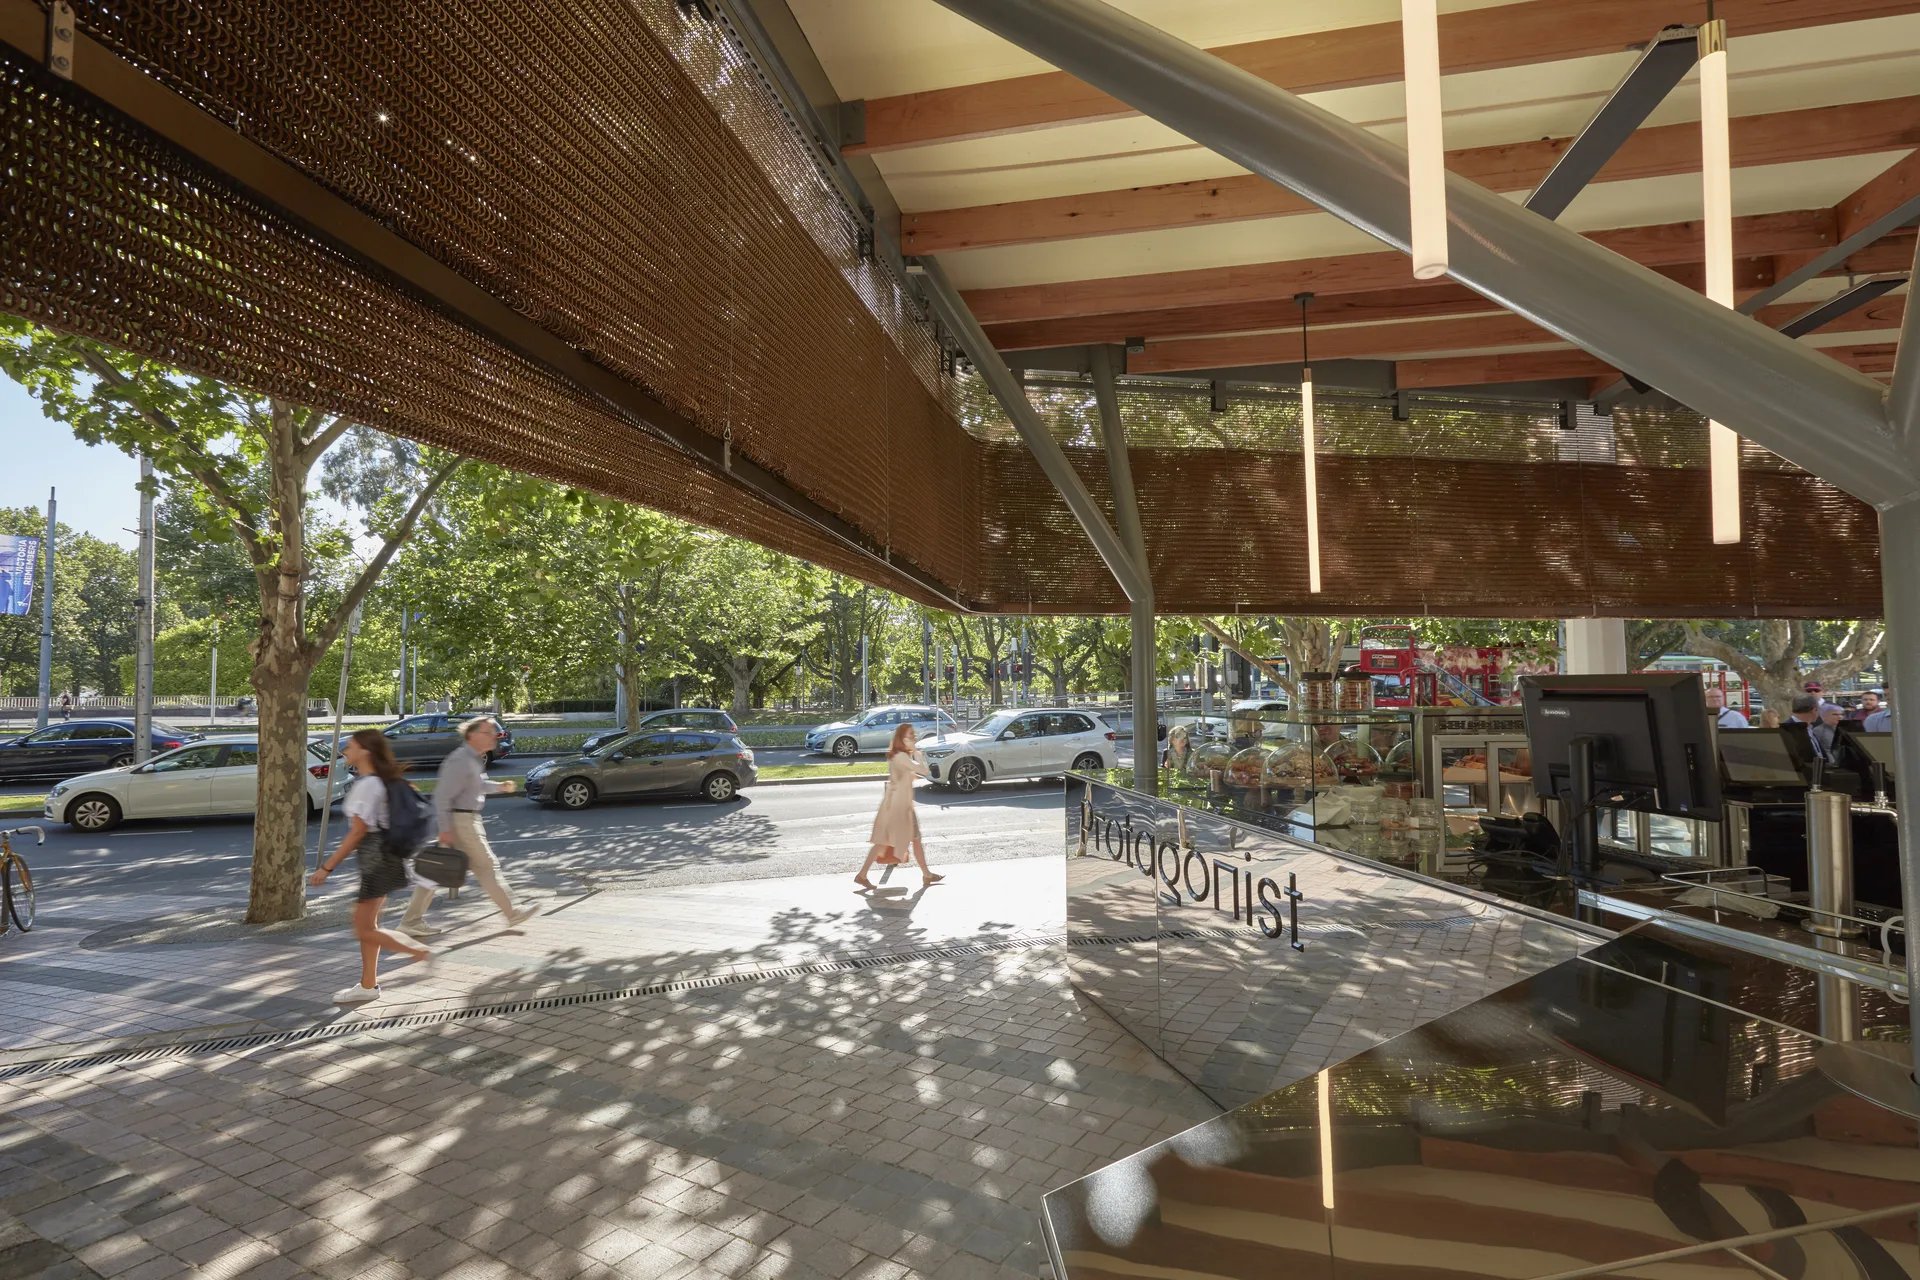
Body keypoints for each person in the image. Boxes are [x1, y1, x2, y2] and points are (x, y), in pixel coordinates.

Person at [308, 729, 432, 1004]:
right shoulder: (377, 781)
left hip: (377, 859)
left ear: (365, 751)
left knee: (363, 928)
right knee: (368, 925)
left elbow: (357, 832)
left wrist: (326, 868)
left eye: (349, 746)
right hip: (383, 857)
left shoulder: (368, 785)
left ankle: (419, 951)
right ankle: (368, 985)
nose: (344, 751)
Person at [400, 718, 533, 935]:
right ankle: (513, 912)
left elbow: (477, 785)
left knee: (435, 872)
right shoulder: (460, 760)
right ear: (472, 735)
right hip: (461, 821)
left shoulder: (473, 758)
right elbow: (442, 797)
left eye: (494, 732)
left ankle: (411, 921)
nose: (494, 736)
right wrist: (445, 830)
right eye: (488, 732)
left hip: (464, 820)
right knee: (487, 867)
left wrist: (499, 787)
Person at [854, 722, 943, 891]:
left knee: (902, 840)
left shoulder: (899, 755)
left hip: (899, 805)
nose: (914, 737)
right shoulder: (901, 757)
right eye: (911, 735)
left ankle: (926, 874)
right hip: (899, 808)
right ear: (902, 738)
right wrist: (917, 752)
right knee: (887, 841)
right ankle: (863, 874)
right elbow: (924, 771)